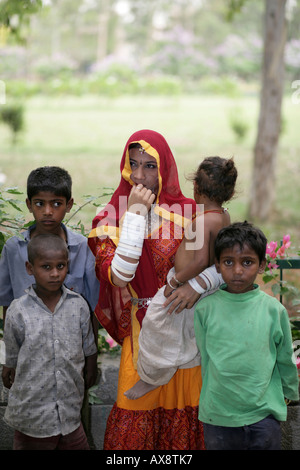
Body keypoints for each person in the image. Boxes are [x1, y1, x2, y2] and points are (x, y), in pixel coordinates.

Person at [88, 129, 207, 450]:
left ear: (165, 167)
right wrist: (136, 214)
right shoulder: (110, 216)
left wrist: (195, 287)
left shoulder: (190, 213)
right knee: (133, 423)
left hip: (186, 332)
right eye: (133, 164)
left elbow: (209, 265)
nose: (140, 175)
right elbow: (119, 276)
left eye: (150, 166)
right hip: (142, 335)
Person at [125, 156, 237, 400]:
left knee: (156, 321)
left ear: (196, 187)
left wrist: (174, 282)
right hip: (200, 285)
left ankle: (151, 377)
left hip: (186, 284)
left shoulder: (203, 220)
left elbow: (199, 261)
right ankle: (166, 371)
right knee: (180, 331)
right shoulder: (223, 216)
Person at [194, 221, 299, 450]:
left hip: (264, 416)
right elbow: (205, 356)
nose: (238, 270)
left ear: (261, 265)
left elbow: (285, 358)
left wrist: (291, 393)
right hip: (218, 416)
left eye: (247, 262)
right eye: (229, 262)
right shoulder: (205, 309)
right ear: (218, 265)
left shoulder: (274, 310)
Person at [0, 166, 100, 385]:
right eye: (39, 204)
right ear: (29, 205)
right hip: (28, 362)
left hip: (71, 363)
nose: (47, 211)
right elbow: (7, 306)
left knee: (72, 413)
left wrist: (91, 359)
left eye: (56, 204)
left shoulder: (82, 248)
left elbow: (92, 308)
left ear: (69, 204)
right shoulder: (14, 249)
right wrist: (10, 358)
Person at [2, 234, 98, 450]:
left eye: (61, 266)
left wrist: (91, 365)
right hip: (32, 416)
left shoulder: (79, 305)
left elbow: (88, 345)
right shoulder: (18, 310)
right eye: (46, 267)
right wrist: (8, 366)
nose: (55, 274)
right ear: (30, 268)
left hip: (70, 413)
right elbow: (12, 350)